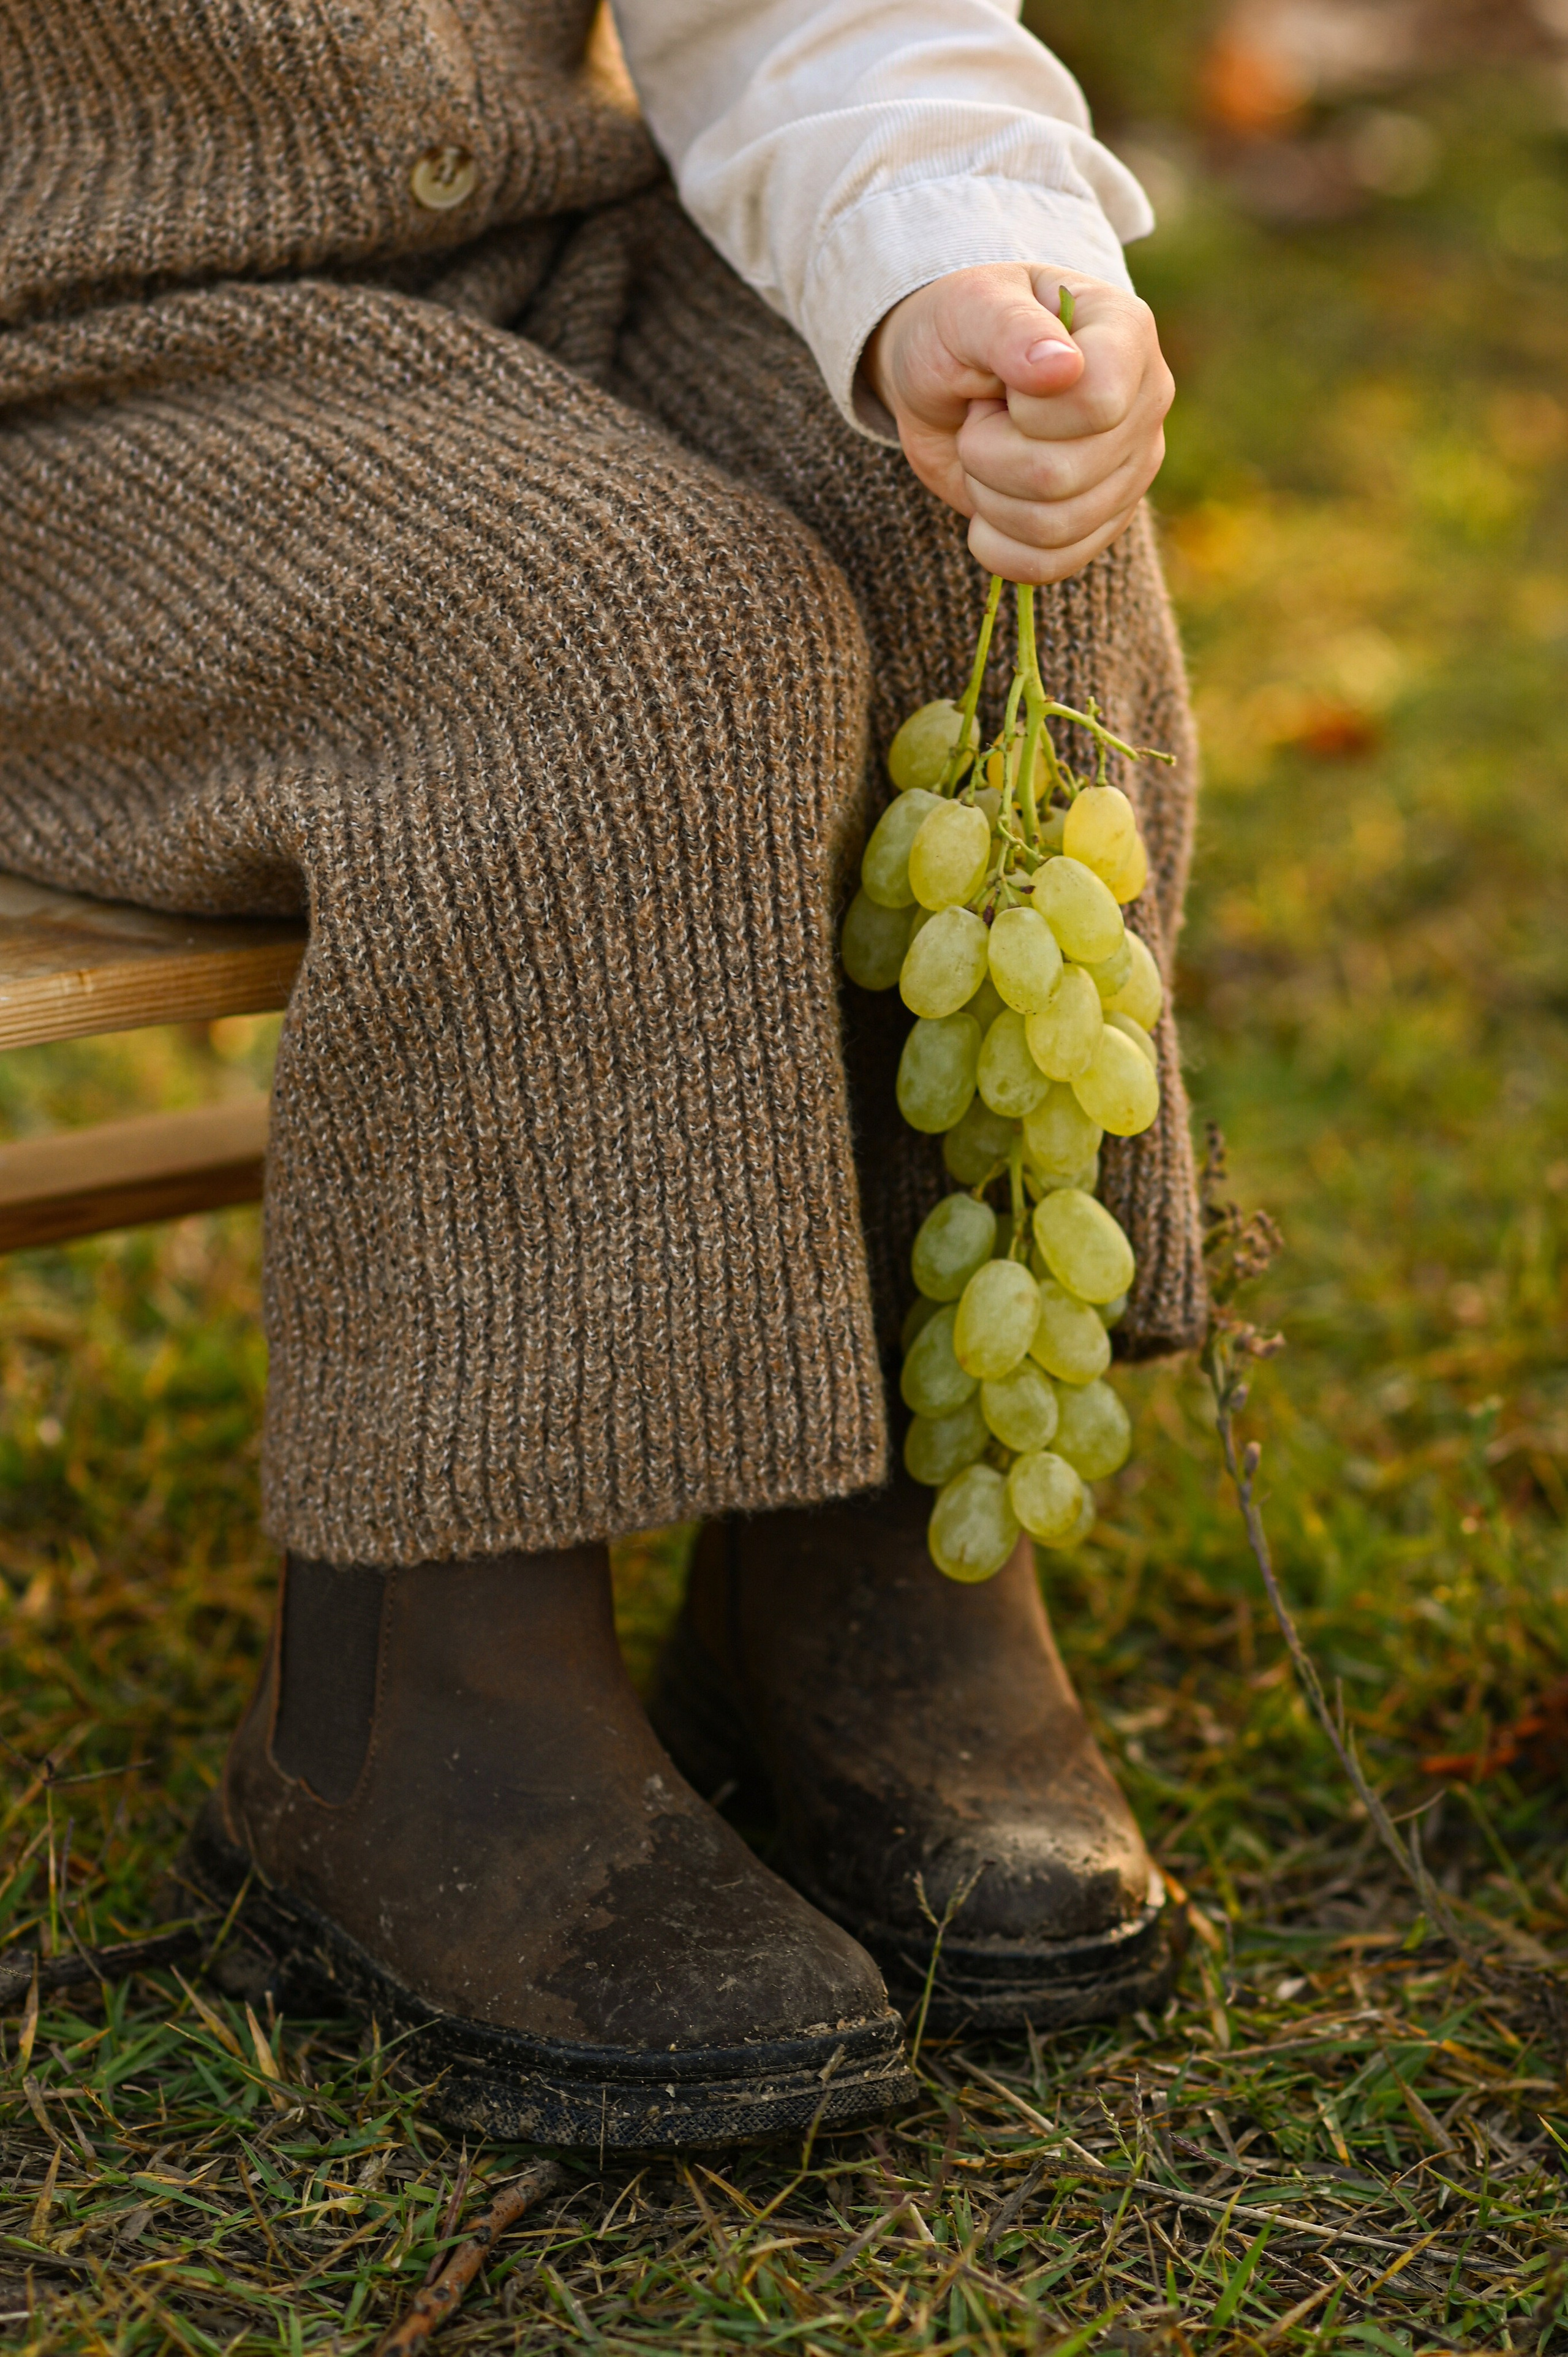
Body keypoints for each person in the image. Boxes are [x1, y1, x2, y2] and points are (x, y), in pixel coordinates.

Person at [0, 0, 1204, 2148]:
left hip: (552, 263)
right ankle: (416, 1698)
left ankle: (864, 1547)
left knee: (968, 527)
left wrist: (958, 259)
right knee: (613, 649)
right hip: (61, 374)